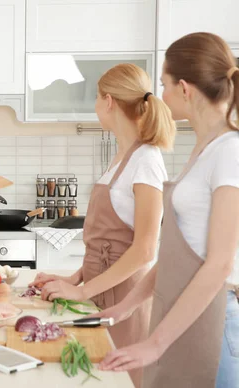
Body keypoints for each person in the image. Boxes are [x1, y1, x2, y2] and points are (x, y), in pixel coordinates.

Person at [94, 32, 239, 388]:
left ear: (185, 89)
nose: (160, 95)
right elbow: (179, 252)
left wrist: (155, 343)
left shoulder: (230, 151)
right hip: (182, 313)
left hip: (213, 318)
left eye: (165, 84)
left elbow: (219, 263)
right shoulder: (204, 149)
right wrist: (127, 306)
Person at [30, 63, 175, 387]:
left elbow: (144, 250)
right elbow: (104, 243)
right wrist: (73, 278)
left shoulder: (147, 161)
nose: (96, 105)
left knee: (116, 380)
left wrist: (80, 291)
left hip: (124, 301)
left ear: (108, 101)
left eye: (97, 98)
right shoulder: (123, 157)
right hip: (99, 294)